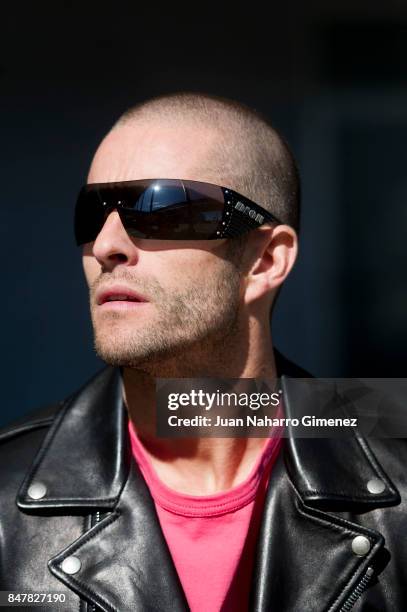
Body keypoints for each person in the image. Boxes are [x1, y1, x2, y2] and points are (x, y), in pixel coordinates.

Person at [0, 93, 406, 612]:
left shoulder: (396, 479)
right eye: (92, 213)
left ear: (264, 260)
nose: (106, 245)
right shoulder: (9, 506)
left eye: (161, 208)